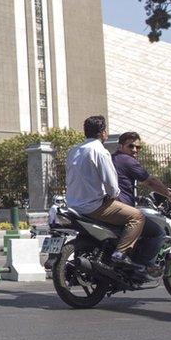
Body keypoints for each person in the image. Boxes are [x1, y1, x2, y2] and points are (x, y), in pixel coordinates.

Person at [65, 116, 147, 273]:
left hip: (73, 205)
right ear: (103, 133)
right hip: (94, 206)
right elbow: (111, 184)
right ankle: (120, 254)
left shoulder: (73, 151)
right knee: (137, 217)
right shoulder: (100, 151)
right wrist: (113, 195)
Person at [111, 131, 171, 272]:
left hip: (110, 206)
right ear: (121, 146)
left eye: (138, 147)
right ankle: (142, 266)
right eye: (131, 146)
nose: (135, 150)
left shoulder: (112, 159)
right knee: (157, 232)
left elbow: (121, 184)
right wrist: (170, 194)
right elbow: (151, 181)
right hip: (122, 210)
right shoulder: (127, 160)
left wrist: (135, 198)